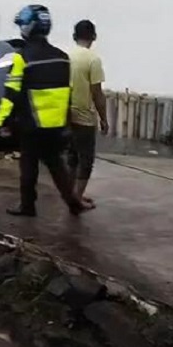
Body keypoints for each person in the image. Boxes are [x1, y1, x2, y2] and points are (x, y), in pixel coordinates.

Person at [0, 5, 85, 217]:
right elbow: (67, 93)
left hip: (32, 124)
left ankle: (28, 206)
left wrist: (1, 121)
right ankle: (72, 202)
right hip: (56, 125)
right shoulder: (62, 57)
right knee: (56, 165)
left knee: (28, 167)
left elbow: (11, 94)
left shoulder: (21, 58)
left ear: (28, 26)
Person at [68, 20, 109, 210]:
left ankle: (71, 194)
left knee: (71, 157)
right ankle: (76, 199)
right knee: (86, 160)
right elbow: (97, 93)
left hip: (66, 116)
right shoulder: (93, 59)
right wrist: (104, 118)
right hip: (84, 117)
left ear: (74, 36)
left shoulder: (66, 56)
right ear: (93, 37)